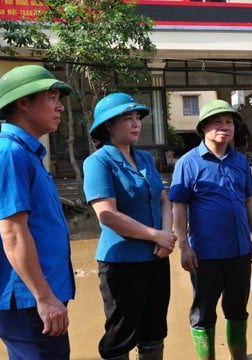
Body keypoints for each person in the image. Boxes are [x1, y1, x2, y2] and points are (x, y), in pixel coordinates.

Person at [83, 92, 175, 360]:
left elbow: (163, 199)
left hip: (157, 257)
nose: (136, 123)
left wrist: (167, 236)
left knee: (155, 329)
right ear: (108, 125)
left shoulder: (144, 158)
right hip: (122, 262)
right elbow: (107, 215)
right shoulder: (98, 162)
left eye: (137, 118)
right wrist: (155, 234)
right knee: (121, 332)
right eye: (127, 118)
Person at [0, 65, 76, 359]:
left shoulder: (27, 154)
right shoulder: (9, 153)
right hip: (27, 300)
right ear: (23, 103)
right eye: (51, 97)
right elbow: (13, 232)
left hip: (38, 297)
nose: (60, 106)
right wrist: (43, 297)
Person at [169, 99, 252, 360]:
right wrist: (184, 246)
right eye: (218, 121)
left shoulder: (240, 161)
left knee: (237, 310)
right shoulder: (188, 163)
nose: (225, 126)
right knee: (203, 312)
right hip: (205, 255)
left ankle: (239, 357)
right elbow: (179, 206)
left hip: (239, 252)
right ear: (203, 128)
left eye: (229, 122)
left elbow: (249, 200)